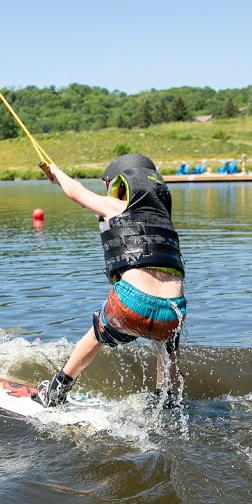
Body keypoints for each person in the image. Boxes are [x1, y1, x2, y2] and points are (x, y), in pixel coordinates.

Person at [35, 153, 188, 407]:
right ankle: (167, 398)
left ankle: (55, 391)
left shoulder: (117, 207)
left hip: (131, 304)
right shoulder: (165, 222)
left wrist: (56, 173)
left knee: (98, 330)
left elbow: (76, 192)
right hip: (174, 312)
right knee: (169, 344)